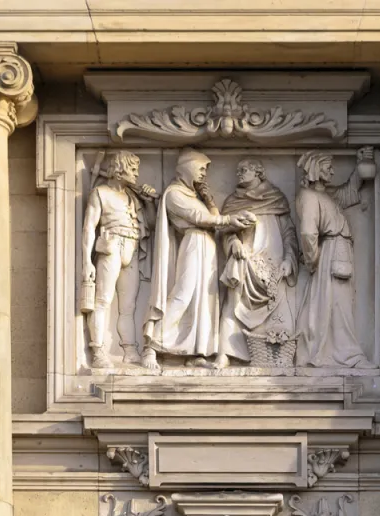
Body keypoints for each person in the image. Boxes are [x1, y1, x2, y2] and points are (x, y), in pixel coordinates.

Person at [142, 149, 256, 369]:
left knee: (206, 300)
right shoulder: (174, 193)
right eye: (201, 168)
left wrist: (208, 198)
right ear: (188, 166)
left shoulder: (193, 195)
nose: (204, 173)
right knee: (183, 295)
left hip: (208, 246)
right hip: (193, 243)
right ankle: (151, 346)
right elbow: (199, 218)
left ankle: (196, 352)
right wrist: (229, 218)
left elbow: (211, 217)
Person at [294, 148, 377, 369]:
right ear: (316, 169)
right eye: (327, 167)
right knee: (336, 305)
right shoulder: (309, 197)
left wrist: (362, 166)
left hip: (338, 252)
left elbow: (347, 193)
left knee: (340, 304)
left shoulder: (324, 195)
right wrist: (313, 260)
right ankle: (346, 355)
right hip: (329, 255)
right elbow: (308, 232)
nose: (332, 171)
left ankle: (341, 352)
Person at [214, 158, 298, 368]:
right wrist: (233, 244)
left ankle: (277, 355)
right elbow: (227, 233)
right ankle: (225, 353)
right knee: (232, 307)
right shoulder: (233, 202)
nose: (239, 174)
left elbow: (288, 233)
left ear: (258, 172)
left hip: (273, 266)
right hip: (245, 263)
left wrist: (289, 259)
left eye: (244, 170)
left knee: (278, 311)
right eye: (238, 170)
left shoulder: (276, 198)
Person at [81, 151, 156, 368]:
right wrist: (86, 261)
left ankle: (130, 349)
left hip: (131, 249)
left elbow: (150, 224)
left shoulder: (133, 197)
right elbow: (88, 228)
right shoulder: (100, 193)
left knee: (128, 306)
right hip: (111, 246)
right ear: (120, 168)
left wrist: (149, 202)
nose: (136, 174)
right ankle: (98, 350)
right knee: (103, 300)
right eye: (132, 169)